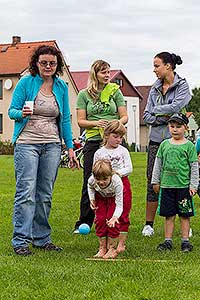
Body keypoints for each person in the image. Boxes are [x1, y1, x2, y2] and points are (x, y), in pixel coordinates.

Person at [8, 45, 78, 256]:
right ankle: (20, 240)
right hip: (27, 143)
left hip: (52, 145)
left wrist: (70, 147)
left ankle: (41, 238)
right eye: (44, 63)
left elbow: (65, 118)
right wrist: (22, 113)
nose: (48, 66)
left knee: (45, 194)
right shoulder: (26, 82)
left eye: (52, 63)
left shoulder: (61, 86)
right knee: (26, 193)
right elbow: (11, 111)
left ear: (58, 66)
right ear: (36, 64)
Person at [73, 60, 128, 233]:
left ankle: (118, 218)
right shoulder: (84, 95)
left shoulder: (115, 91)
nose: (107, 75)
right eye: (103, 72)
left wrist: (114, 126)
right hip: (94, 141)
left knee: (118, 178)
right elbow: (80, 121)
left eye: (108, 72)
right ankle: (85, 221)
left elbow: (124, 116)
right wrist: (97, 124)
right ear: (94, 73)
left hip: (114, 140)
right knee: (90, 178)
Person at [142, 52, 192, 237]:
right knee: (152, 180)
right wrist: (164, 117)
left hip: (178, 143)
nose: (154, 70)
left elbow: (176, 108)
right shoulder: (154, 89)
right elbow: (146, 116)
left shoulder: (182, 86)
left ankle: (185, 223)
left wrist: (157, 112)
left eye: (157, 66)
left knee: (180, 181)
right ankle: (149, 224)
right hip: (156, 141)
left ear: (168, 66)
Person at [151, 113, 198, 252]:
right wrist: (155, 181)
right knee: (169, 215)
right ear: (168, 127)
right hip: (166, 187)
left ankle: (185, 242)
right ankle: (168, 241)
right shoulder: (164, 145)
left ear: (186, 128)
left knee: (184, 215)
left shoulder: (189, 146)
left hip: (183, 187)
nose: (175, 129)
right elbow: (158, 164)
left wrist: (193, 185)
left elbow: (194, 167)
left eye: (179, 126)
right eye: (172, 126)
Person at [93, 120, 132, 253]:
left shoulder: (123, 151)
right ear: (106, 135)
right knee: (103, 216)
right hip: (103, 188)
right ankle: (103, 247)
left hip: (121, 185)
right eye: (115, 136)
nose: (119, 140)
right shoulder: (99, 153)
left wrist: (115, 174)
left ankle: (120, 244)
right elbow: (95, 172)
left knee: (122, 214)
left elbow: (129, 168)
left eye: (121, 137)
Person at [88, 159, 123, 259]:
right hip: (101, 198)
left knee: (111, 221)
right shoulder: (91, 180)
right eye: (98, 179)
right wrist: (92, 199)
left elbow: (119, 205)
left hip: (113, 198)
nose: (101, 182)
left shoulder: (117, 182)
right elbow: (90, 187)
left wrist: (115, 217)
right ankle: (102, 248)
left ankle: (112, 249)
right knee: (100, 220)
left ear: (110, 175)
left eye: (104, 179)